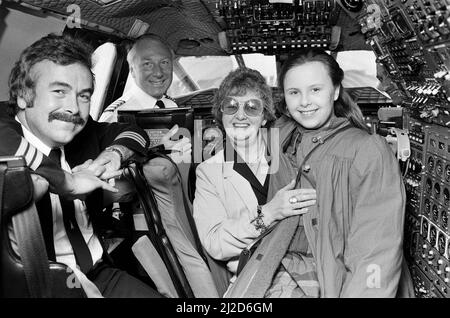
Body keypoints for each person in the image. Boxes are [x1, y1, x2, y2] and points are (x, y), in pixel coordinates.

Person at [2, 33, 164, 298]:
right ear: (23, 96)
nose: (74, 108)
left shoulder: (84, 133)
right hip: (42, 288)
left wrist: (112, 156)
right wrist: (69, 182)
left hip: (101, 273)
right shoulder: (7, 137)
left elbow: (135, 133)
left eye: (84, 95)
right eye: (59, 91)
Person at [264, 48, 409, 297]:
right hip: (282, 259)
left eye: (316, 90)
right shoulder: (281, 134)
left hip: (334, 275)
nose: (305, 101)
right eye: (294, 92)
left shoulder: (368, 150)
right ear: (284, 98)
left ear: (336, 91)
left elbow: (375, 252)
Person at [193, 68, 317, 289]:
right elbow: (215, 242)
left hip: (310, 263)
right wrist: (269, 213)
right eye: (231, 106)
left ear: (263, 117)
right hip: (256, 275)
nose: (240, 115)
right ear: (221, 115)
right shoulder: (208, 172)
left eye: (252, 107)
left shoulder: (291, 150)